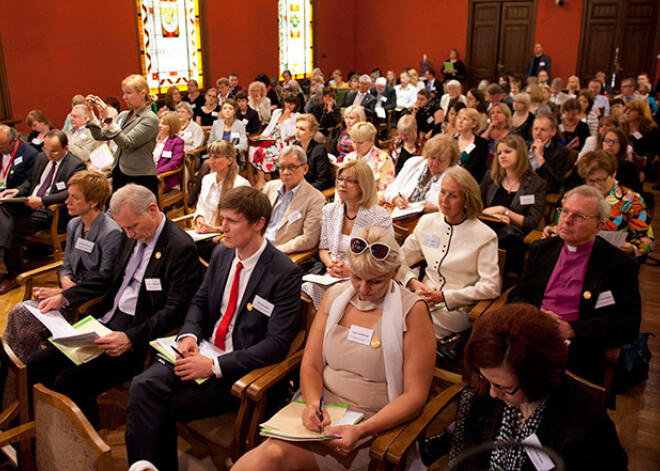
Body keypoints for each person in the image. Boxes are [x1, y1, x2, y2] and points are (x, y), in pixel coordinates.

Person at [125, 186, 301, 471]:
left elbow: (276, 344)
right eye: (223, 219)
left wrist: (214, 365)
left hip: (235, 370)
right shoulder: (222, 252)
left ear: (258, 224)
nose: (223, 227)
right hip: (202, 348)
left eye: (232, 221)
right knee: (142, 385)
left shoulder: (284, 273)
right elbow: (200, 300)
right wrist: (190, 335)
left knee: (157, 407)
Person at [234, 226, 435, 471]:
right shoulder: (335, 295)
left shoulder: (413, 312)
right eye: (356, 277)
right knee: (267, 454)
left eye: (375, 281)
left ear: (394, 272)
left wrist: (361, 430)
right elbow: (311, 365)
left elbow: (415, 396)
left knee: (273, 456)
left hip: (373, 423)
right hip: (321, 408)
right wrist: (311, 405)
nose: (362, 290)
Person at [29, 184, 201, 422]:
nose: (129, 234)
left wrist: (130, 339)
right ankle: (36, 430)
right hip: (104, 320)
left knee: (68, 381)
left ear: (152, 210)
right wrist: (66, 296)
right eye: (124, 228)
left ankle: (80, 446)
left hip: (136, 335)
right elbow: (108, 277)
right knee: (38, 364)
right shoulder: (129, 234)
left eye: (133, 227)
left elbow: (174, 311)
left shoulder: (180, 247)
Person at [446, 303, 628, 470]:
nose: (493, 393)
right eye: (485, 378)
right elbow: (471, 441)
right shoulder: (494, 383)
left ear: (536, 379)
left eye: (504, 388)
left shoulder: (588, 431)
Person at [510, 185, 641, 383]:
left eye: (579, 216)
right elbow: (517, 296)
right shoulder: (541, 249)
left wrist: (572, 329)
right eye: (564, 211)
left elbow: (628, 324)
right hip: (532, 331)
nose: (567, 220)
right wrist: (536, 316)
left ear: (598, 226)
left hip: (579, 347)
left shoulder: (619, 264)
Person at [4, 171, 121, 362]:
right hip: (67, 293)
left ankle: (25, 377)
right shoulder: (74, 224)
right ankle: (22, 378)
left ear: (93, 202)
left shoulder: (111, 233)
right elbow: (66, 264)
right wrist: (65, 283)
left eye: (74, 197)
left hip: (88, 303)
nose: (67, 201)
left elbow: (105, 279)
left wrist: (65, 294)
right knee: (25, 330)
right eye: (68, 195)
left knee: (20, 312)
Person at [397, 166, 500, 340]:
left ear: (467, 200)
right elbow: (399, 258)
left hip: (456, 309)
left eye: (453, 196)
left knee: (407, 332)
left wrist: (445, 297)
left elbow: (492, 287)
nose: (444, 200)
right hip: (421, 298)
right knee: (387, 320)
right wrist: (413, 282)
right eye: (442, 192)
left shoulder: (485, 236)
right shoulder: (427, 222)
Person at [0, 130, 86, 294]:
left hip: (50, 210)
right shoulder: (41, 157)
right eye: (46, 149)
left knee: (9, 226)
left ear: (66, 148)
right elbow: (30, 182)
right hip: (29, 203)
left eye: (54, 151)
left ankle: (9, 274)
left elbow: (69, 193)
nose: (49, 154)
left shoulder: (75, 165)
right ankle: (8, 270)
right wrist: (16, 191)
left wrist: (42, 201)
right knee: (3, 210)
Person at [302, 161, 393, 308]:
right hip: (332, 276)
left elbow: (384, 259)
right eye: (340, 179)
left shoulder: (379, 216)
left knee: (334, 303)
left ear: (363, 185)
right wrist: (330, 263)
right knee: (304, 295)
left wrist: (352, 271)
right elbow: (323, 248)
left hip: (363, 280)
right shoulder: (330, 210)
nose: (342, 184)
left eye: (350, 181)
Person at [545, 150, 653, 258]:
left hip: (611, 258)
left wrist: (632, 247)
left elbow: (647, 241)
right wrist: (552, 230)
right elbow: (559, 225)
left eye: (601, 180)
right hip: (573, 254)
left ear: (613, 174)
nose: (596, 186)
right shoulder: (573, 196)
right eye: (590, 181)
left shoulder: (631, 200)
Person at [85, 74, 160, 195]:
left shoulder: (150, 118)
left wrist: (108, 118)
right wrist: (90, 112)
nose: (124, 97)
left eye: (128, 93)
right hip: (119, 172)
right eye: (124, 93)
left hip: (140, 176)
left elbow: (127, 142)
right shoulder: (124, 115)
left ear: (142, 93)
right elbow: (100, 135)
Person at [481, 135, 547, 271]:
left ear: (521, 153)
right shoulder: (491, 177)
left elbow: (532, 222)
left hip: (512, 237)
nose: (502, 156)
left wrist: (504, 211)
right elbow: (476, 206)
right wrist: (493, 215)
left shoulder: (537, 184)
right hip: (486, 227)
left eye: (507, 152)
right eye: (499, 153)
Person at [262, 145, 325, 254]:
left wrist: (277, 251)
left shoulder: (316, 199)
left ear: (305, 169)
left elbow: (309, 239)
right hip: (257, 243)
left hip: (281, 251)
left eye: (291, 167)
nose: (286, 172)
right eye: (281, 167)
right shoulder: (270, 187)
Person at [192, 140, 250, 258]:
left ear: (229, 160)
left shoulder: (240, 184)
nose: (211, 161)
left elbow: (242, 222)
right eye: (210, 156)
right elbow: (201, 207)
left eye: (216, 157)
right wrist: (200, 222)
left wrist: (215, 229)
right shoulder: (207, 179)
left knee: (187, 251)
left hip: (225, 237)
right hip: (205, 234)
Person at [386, 134, 459, 213]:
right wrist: (395, 198)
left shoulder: (457, 176)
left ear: (451, 161)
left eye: (441, 160)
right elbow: (392, 188)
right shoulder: (413, 163)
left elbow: (459, 207)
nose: (435, 163)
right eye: (432, 157)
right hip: (403, 216)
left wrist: (437, 209)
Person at [248, 95, 299, 189]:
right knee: (252, 147)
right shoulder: (277, 112)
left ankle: (261, 179)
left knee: (262, 151)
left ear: (295, 105)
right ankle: (260, 177)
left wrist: (287, 118)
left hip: (282, 142)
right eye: (287, 102)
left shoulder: (296, 116)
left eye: (291, 104)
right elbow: (270, 126)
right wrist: (263, 135)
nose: (289, 105)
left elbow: (290, 134)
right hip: (269, 138)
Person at [343, 122, 395, 200]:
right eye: (353, 142)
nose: (355, 146)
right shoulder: (349, 158)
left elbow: (387, 191)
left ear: (371, 140)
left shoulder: (384, 160)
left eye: (360, 143)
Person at [528, 113, 571, 193]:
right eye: (535, 129)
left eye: (543, 129)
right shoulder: (523, 147)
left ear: (553, 132)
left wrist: (539, 157)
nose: (538, 133)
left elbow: (554, 185)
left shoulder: (562, 152)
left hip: (540, 192)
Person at [293, 114, 332, 191]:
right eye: (296, 127)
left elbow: (321, 182)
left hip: (313, 191)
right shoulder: (295, 145)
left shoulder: (319, 150)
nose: (297, 132)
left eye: (302, 129)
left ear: (312, 132)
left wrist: (300, 188)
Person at [153, 111, 185, 192]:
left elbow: (173, 164)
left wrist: (155, 173)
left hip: (163, 179)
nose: (160, 125)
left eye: (163, 124)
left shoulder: (177, 142)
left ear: (172, 126)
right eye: (159, 122)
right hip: (147, 174)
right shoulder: (152, 139)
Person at [0, 124, 37, 190]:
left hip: (14, 194)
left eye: (2, 148)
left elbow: (30, 182)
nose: (0, 151)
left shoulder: (30, 154)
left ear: (13, 141)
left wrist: (14, 192)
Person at [456, 108, 489, 183]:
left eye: (465, 119)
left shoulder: (481, 143)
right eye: (459, 118)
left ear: (474, 124)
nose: (460, 121)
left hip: (471, 181)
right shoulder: (452, 140)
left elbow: (476, 167)